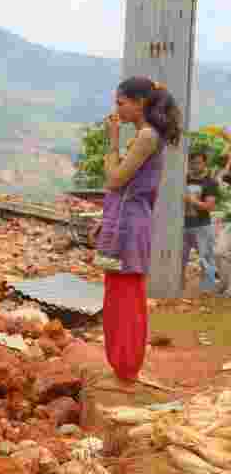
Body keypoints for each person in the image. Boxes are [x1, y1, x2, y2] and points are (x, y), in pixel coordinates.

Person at [95, 76, 182, 386]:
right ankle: (122, 366)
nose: (117, 110)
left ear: (140, 103)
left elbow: (115, 179)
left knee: (125, 296)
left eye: (121, 103)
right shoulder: (146, 135)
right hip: (125, 220)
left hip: (128, 224)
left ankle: (126, 368)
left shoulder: (146, 136)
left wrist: (113, 140)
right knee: (119, 292)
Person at [182, 151, 219, 294]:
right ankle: (178, 287)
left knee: (206, 258)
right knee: (180, 259)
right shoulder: (183, 179)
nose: (195, 165)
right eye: (192, 162)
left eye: (198, 162)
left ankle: (208, 290)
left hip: (202, 226)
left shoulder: (210, 182)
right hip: (182, 226)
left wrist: (191, 200)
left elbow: (209, 206)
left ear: (204, 164)